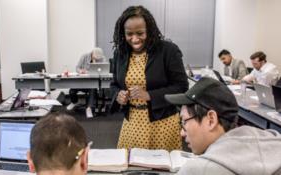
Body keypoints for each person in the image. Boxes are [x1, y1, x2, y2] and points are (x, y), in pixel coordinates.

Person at [165, 77, 281, 174]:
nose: (182, 133)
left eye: (184, 121)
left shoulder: (198, 170)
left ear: (211, 120)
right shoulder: (273, 143)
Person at [110, 5, 188, 150]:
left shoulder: (168, 50)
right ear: (123, 33)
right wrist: (118, 95)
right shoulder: (120, 53)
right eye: (129, 34)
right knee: (132, 165)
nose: (134, 39)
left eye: (140, 33)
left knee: (161, 166)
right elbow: (114, 84)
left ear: (149, 31)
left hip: (162, 122)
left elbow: (181, 87)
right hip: (132, 121)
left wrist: (149, 95)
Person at [66, 47, 106, 118]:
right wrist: (80, 71)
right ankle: (74, 102)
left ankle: (89, 108)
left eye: (98, 58)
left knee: (93, 89)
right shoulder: (84, 56)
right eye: (95, 57)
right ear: (92, 53)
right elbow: (77, 67)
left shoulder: (102, 58)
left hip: (92, 83)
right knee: (72, 91)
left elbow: (103, 70)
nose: (97, 59)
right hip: (81, 82)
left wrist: (95, 63)